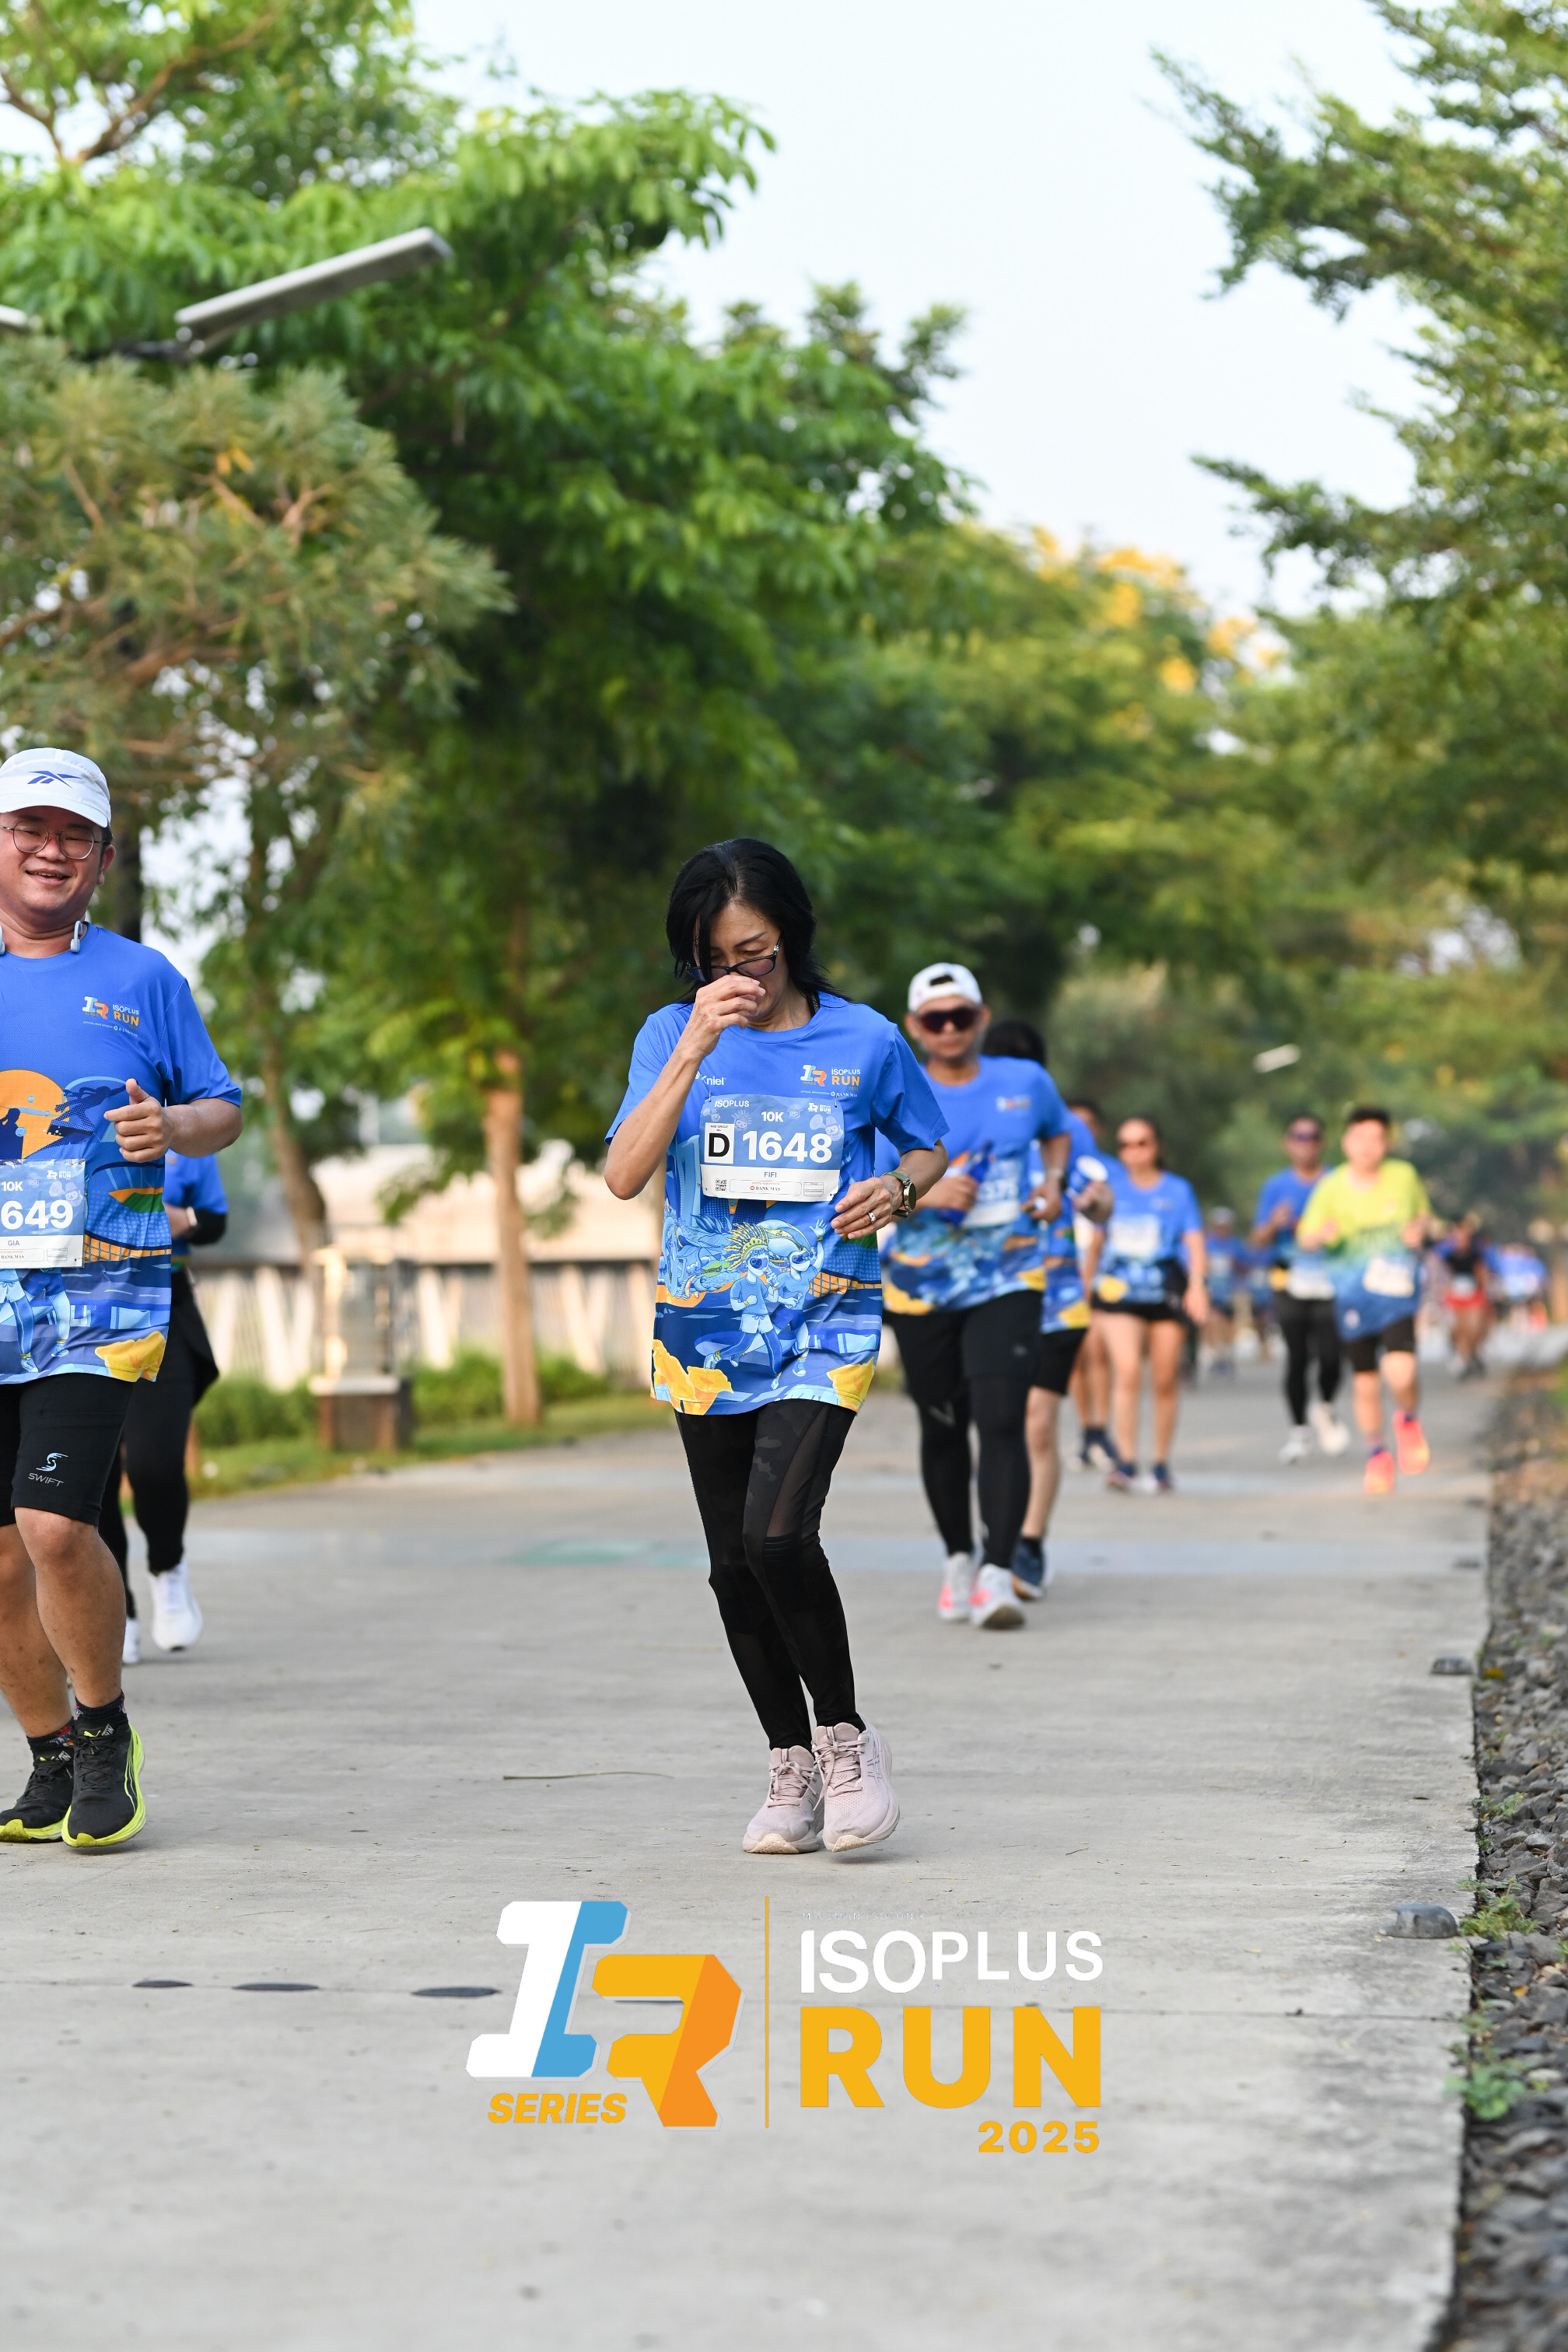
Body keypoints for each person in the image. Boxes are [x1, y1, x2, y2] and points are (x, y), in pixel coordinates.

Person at [604, 838, 947, 1857]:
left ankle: (846, 1740)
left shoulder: (866, 1038)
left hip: (824, 1319)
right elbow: (624, 1174)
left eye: (753, 951)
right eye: (715, 959)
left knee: (779, 1537)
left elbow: (928, 1143)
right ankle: (788, 1762)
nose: (739, 975)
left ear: (790, 933)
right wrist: (692, 1047)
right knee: (730, 1567)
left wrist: (900, 1188)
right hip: (703, 1327)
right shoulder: (669, 1034)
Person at [0, 750, 242, 1850]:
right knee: (0, 1555)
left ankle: (104, 1731)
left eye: (75, 836)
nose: (51, 851)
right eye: (30, 829)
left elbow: (221, 1107)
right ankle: (48, 1753)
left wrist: (172, 1126)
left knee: (56, 1525)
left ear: (103, 858)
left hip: (98, 1295)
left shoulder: (144, 979)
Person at [880, 967, 1070, 1632]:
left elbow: (1058, 1131)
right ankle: (958, 1559)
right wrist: (923, 1193)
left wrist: (1052, 1182)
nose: (950, 1028)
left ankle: (998, 1571)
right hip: (921, 1285)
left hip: (1008, 1274)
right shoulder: (892, 1087)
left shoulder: (1026, 1081)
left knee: (1002, 1418)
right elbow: (864, 1181)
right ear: (915, 1027)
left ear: (982, 1018)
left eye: (961, 1015)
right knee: (942, 1425)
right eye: (936, 1019)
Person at [980, 1022, 1112, 1600]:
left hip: (1056, 1302)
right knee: (996, 1425)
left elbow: (1099, 1199)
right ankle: (993, 1543)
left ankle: (1028, 1543)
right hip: (985, 1299)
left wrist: (1098, 1204)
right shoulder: (971, 1119)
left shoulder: (1068, 1130)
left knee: (1036, 1422)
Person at [100, 1149, 228, 1663]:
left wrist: (184, 1219)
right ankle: (117, 1612)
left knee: (154, 1466)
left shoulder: (179, 1129)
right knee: (93, 1477)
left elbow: (214, 1222)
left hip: (162, 1305)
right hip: (80, 1307)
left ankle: (168, 1567)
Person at [1294, 1107, 1435, 1496]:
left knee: (1401, 1371)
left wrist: (1419, 1229)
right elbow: (1305, 1237)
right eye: (1361, 1138)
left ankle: (1408, 1419)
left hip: (1396, 1293)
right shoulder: (1331, 1186)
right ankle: (1377, 1454)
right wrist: (1320, 1235)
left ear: (1387, 1143)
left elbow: (1426, 1218)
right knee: (1366, 1383)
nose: (1368, 1147)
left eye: (1377, 1139)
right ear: (1346, 1143)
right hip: (1353, 1296)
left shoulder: (1403, 1176)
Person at [1091, 1116, 1207, 1493]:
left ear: (1157, 1147)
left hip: (1164, 1292)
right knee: (1127, 1371)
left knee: (1164, 1378)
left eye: (1142, 1143)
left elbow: (1194, 1241)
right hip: (1118, 1294)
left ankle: (1160, 1463)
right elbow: (1096, 1242)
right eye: (1125, 1144)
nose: (1134, 1151)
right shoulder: (1109, 1188)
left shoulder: (1178, 1190)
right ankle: (1125, 1461)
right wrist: (1083, 1290)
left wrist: (1198, 1286)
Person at [1251, 1113, 1349, 1465]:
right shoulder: (1275, 1186)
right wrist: (1273, 1223)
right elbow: (1258, 1239)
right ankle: (1299, 1431)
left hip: (1331, 1278)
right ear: (1287, 1143)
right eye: (1298, 1136)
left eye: (1312, 1136)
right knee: (1297, 1357)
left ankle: (1325, 1407)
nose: (1305, 1143)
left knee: (1332, 1356)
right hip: (1289, 1278)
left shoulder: (1339, 1181)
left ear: (1323, 1142)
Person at [1065, 1095, 1115, 1470]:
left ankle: (1101, 1427)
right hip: (1064, 1276)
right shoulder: (1052, 1167)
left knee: (1098, 1351)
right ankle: (1087, 1430)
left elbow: (1103, 1227)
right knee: (1076, 1356)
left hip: (1101, 1279)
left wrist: (1088, 1277)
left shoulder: (1106, 1171)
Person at [1438, 1212, 1493, 1379]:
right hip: (1455, 1297)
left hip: (1473, 1296)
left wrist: (1483, 1289)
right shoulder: (1448, 1256)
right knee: (1456, 1330)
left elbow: (1482, 1274)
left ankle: (1473, 1355)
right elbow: (1444, 1276)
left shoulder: (1477, 1254)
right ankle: (1463, 1359)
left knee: (1474, 1329)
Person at [1201, 1207, 1241, 1376]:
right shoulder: (1206, 1243)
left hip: (1230, 1291)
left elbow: (1246, 1263)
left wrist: (1236, 1263)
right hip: (1211, 1291)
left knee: (1228, 1325)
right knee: (1212, 1321)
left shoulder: (1235, 1244)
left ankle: (1226, 1353)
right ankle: (1214, 1354)